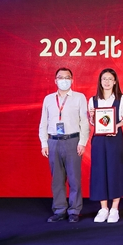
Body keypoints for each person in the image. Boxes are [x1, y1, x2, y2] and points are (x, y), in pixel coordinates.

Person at [39, 67, 89, 223]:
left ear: (72, 80)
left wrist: (82, 142)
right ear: (55, 80)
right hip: (53, 141)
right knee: (57, 179)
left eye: (67, 77)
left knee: (74, 178)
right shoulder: (48, 99)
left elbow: (84, 122)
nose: (64, 80)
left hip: (72, 140)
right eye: (60, 77)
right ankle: (59, 209)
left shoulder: (79, 97)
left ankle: (74, 210)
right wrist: (44, 143)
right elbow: (43, 122)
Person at [88, 68, 123, 223]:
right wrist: (92, 117)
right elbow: (93, 122)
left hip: (115, 139)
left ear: (115, 82)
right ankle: (103, 208)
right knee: (99, 171)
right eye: (104, 79)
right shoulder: (93, 100)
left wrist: (114, 127)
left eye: (110, 79)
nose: (106, 82)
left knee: (115, 171)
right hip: (99, 140)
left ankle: (114, 208)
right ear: (100, 82)